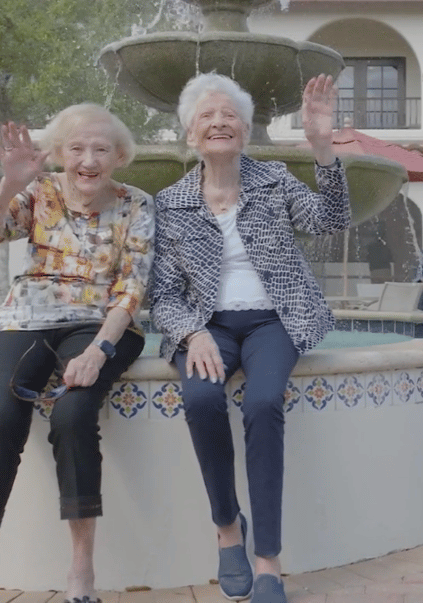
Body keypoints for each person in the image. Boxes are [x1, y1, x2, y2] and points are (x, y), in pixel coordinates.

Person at [149, 73, 350, 603]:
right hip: (207, 325)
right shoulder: (170, 204)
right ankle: (227, 527)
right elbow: (163, 293)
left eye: (230, 115)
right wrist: (192, 333)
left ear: (245, 129)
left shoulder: (275, 179)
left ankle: (268, 561)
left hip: (273, 319)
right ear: (191, 135)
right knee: (200, 399)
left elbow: (333, 218)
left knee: (263, 403)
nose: (219, 122)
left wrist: (323, 146)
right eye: (207, 117)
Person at [0, 106, 154, 603]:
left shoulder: (136, 203)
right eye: (77, 149)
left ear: (119, 156)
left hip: (99, 323)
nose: (88, 160)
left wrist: (99, 350)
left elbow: (132, 286)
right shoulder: (39, 194)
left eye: (101, 149)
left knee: (73, 413)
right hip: (25, 319)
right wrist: (7, 184)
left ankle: (81, 572)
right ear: (60, 153)